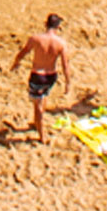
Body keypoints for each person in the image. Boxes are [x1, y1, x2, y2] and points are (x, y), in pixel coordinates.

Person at [9, 14, 73, 143]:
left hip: (38, 75)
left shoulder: (36, 39)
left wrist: (16, 63)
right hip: (51, 76)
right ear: (58, 27)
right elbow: (65, 65)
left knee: (37, 106)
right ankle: (36, 122)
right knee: (44, 96)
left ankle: (42, 135)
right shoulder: (61, 43)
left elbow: (23, 52)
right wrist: (68, 82)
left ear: (45, 24)